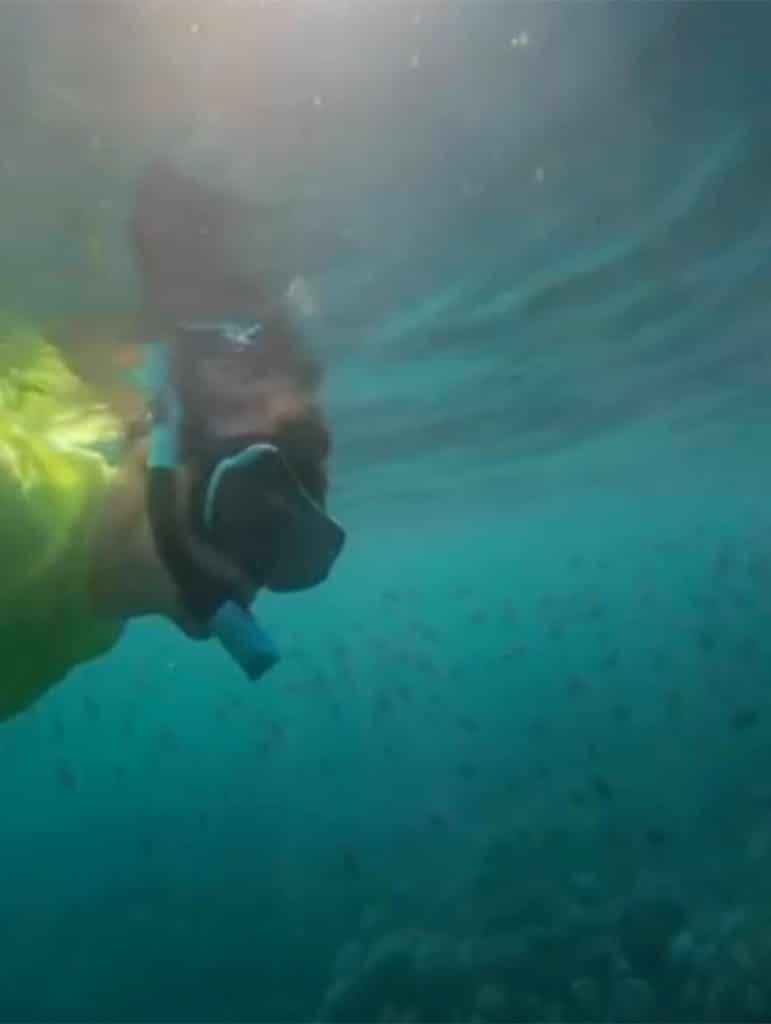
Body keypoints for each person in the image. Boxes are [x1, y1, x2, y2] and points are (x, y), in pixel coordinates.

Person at [0, 160, 344, 722]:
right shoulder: (15, 510)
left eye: (276, 555)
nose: (243, 576)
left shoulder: (92, 618)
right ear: (153, 451)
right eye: (245, 514)